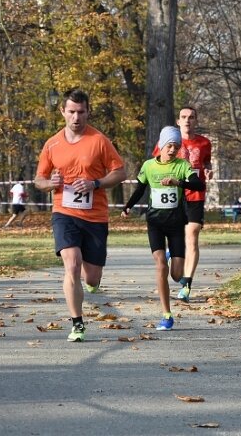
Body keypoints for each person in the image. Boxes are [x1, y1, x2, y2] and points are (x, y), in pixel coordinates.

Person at [34, 89, 127, 342]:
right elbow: (38, 180)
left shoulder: (99, 140)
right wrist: (50, 183)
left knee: (91, 276)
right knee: (72, 264)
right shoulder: (52, 144)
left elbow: (120, 173)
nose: (76, 117)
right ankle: (77, 323)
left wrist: (95, 183)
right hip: (64, 213)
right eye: (71, 112)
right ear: (62, 112)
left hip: (95, 216)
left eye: (81, 112)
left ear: (88, 112)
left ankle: (91, 283)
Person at [122, 126, 204, 331]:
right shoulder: (149, 166)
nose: (172, 150)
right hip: (155, 223)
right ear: (161, 145)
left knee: (177, 275)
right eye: (169, 146)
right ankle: (166, 315)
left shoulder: (182, 165)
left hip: (176, 224)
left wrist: (179, 182)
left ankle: (172, 255)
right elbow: (140, 188)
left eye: (176, 147)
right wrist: (128, 206)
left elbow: (199, 185)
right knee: (160, 266)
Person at [152, 106, 212, 303]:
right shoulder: (167, 140)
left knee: (192, 234)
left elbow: (207, 162)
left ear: (196, 120)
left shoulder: (204, 143)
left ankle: (186, 284)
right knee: (178, 243)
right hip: (173, 196)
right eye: (184, 117)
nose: (187, 120)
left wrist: (209, 170)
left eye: (191, 117)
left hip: (195, 194)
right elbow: (155, 163)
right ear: (178, 121)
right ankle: (174, 256)